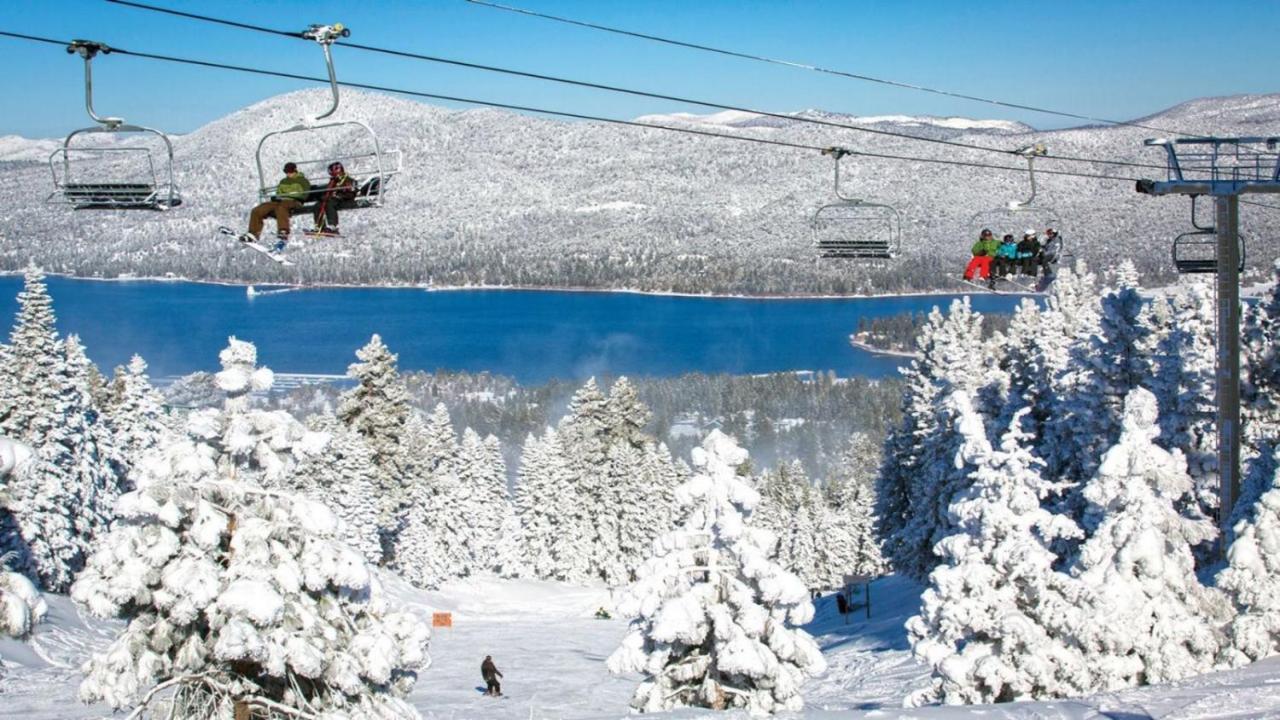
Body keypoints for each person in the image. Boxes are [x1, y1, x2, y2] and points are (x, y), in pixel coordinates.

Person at [245, 162, 310, 252]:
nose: (288, 174)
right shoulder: (283, 181)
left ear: (295, 171)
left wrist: (292, 195)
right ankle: (253, 234)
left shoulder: (303, 181)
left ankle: (283, 231)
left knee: (281, 208)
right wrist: (278, 197)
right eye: (286, 172)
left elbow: (305, 194)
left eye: (290, 172)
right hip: (281, 201)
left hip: (295, 201)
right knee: (258, 209)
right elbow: (279, 193)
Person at [311, 161, 358, 236]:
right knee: (318, 205)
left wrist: (341, 195)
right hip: (333, 199)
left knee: (329, 204)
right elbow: (329, 191)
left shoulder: (347, 179)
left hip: (343, 199)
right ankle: (320, 226)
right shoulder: (333, 181)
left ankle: (333, 226)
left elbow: (352, 191)